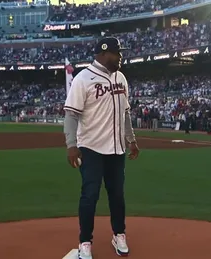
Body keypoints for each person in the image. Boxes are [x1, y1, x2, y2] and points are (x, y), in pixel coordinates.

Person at [63, 37, 140, 259]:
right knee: (90, 195)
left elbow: (125, 113)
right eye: (117, 53)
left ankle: (119, 234)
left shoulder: (121, 78)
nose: (121, 57)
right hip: (91, 147)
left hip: (116, 149)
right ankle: (85, 241)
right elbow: (71, 114)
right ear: (103, 54)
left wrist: (131, 139)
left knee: (117, 195)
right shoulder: (83, 79)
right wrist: (71, 145)